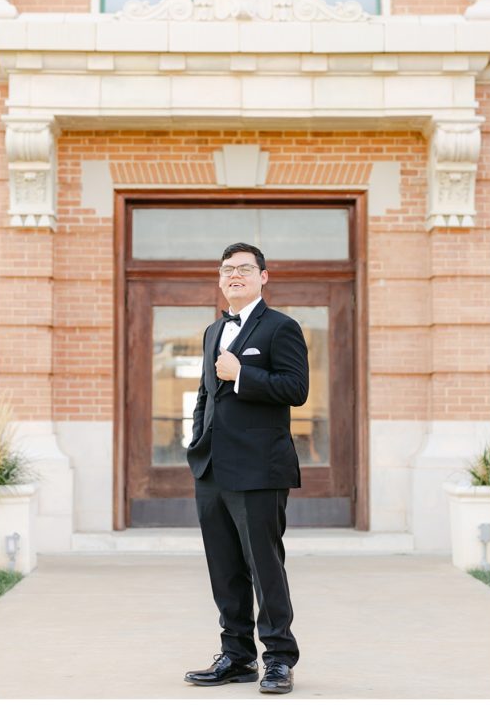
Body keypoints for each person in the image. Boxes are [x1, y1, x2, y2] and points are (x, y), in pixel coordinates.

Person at [183, 243, 309, 694]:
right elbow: (204, 395)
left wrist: (241, 373)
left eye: (243, 269)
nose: (234, 275)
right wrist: (196, 442)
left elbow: (296, 389)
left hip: (259, 470)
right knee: (225, 568)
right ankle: (236, 656)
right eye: (226, 269)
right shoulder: (211, 331)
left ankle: (278, 658)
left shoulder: (282, 328)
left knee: (264, 567)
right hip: (212, 468)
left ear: (263, 277)